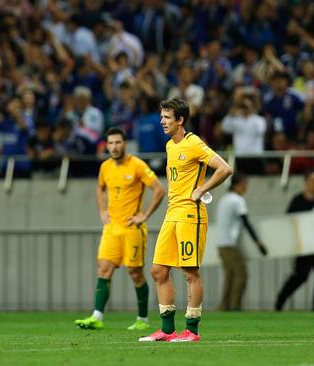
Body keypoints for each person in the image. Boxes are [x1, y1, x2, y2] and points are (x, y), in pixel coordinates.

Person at [139, 98, 233, 342]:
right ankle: (167, 330)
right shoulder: (171, 146)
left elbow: (224, 168)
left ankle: (192, 329)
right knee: (158, 270)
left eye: (167, 117)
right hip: (172, 213)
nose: (162, 122)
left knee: (190, 272)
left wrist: (201, 189)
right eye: (161, 117)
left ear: (180, 120)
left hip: (191, 213)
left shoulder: (194, 143)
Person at [74, 127, 166, 330]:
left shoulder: (137, 165)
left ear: (125, 144)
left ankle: (142, 320)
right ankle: (96, 317)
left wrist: (144, 215)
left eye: (118, 143)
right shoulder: (105, 167)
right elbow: (100, 188)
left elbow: (159, 190)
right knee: (104, 269)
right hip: (111, 228)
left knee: (135, 272)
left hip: (132, 228)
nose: (114, 147)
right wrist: (102, 210)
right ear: (106, 145)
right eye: (111, 143)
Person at [275, 170, 314, 311]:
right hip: (305, 247)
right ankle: (280, 300)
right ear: (306, 182)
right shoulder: (297, 201)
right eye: (313, 180)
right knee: (300, 275)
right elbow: (289, 221)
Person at [214, 174, 267, 311]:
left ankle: (224, 306)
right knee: (241, 274)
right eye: (245, 184)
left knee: (230, 276)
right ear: (238, 185)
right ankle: (235, 306)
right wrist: (258, 243)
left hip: (221, 244)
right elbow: (246, 222)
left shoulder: (224, 199)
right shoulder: (237, 200)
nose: (246, 188)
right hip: (231, 244)